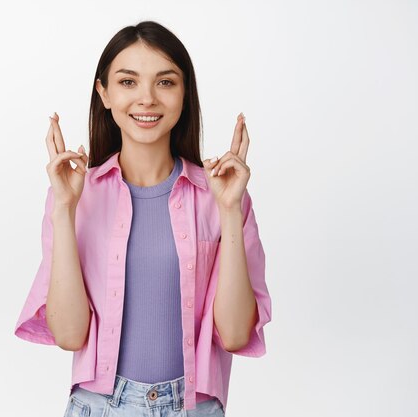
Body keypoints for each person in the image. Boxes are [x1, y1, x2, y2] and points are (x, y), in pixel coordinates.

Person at [14, 20, 272, 416]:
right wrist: (64, 209)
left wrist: (230, 210)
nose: (147, 98)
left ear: (185, 94)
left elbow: (236, 335)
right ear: (104, 93)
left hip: (193, 407)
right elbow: (69, 335)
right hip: (98, 406)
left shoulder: (220, 197)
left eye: (165, 82)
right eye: (128, 82)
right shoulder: (74, 196)